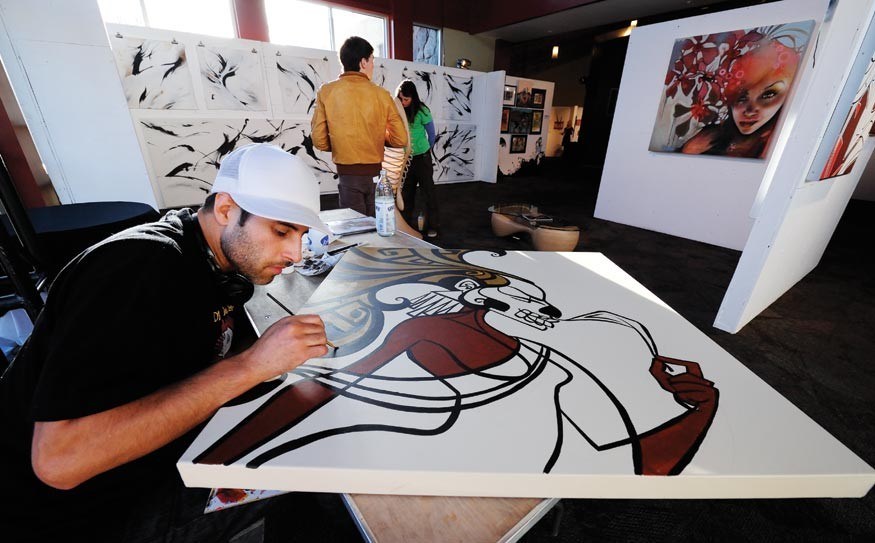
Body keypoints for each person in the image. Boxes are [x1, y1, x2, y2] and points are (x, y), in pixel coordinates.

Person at [0, 143, 333, 542]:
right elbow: (59, 462)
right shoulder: (136, 272)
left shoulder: (217, 263)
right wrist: (250, 366)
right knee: (322, 474)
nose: (295, 253)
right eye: (281, 231)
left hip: (143, 474)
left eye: (300, 235)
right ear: (227, 210)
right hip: (79, 518)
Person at [189, 249, 718, 478]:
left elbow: (630, 463)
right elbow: (317, 392)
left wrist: (702, 407)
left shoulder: (555, 367)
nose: (540, 311)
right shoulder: (422, 329)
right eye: (531, 300)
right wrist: (222, 456)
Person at [311, 36, 407, 216]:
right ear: (363, 62)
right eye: (372, 60)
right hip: (375, 175)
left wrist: (342, 142)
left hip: (347, 176)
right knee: (376, 227)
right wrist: (378, 137)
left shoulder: (327, 91)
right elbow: (400, 138)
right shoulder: (382, 94)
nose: (373, 65)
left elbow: (319, 141)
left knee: (354, 230)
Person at [681, 38, 801, 158]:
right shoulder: (706, 139)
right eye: (741, 97)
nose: (749, 111)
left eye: (768, 95)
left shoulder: (784, 144)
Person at [396, 80, 440, 238]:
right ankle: (406, 225)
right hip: (406, 159)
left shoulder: (422, 110)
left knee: (428, 192)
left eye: (406, 99)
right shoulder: (397, 110)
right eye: (400, 98)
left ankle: (432, 226)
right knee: (407, 194)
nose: (403, 102)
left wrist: (425, 150)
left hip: (422, 158)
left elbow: (432, 135)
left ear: (413, 97)